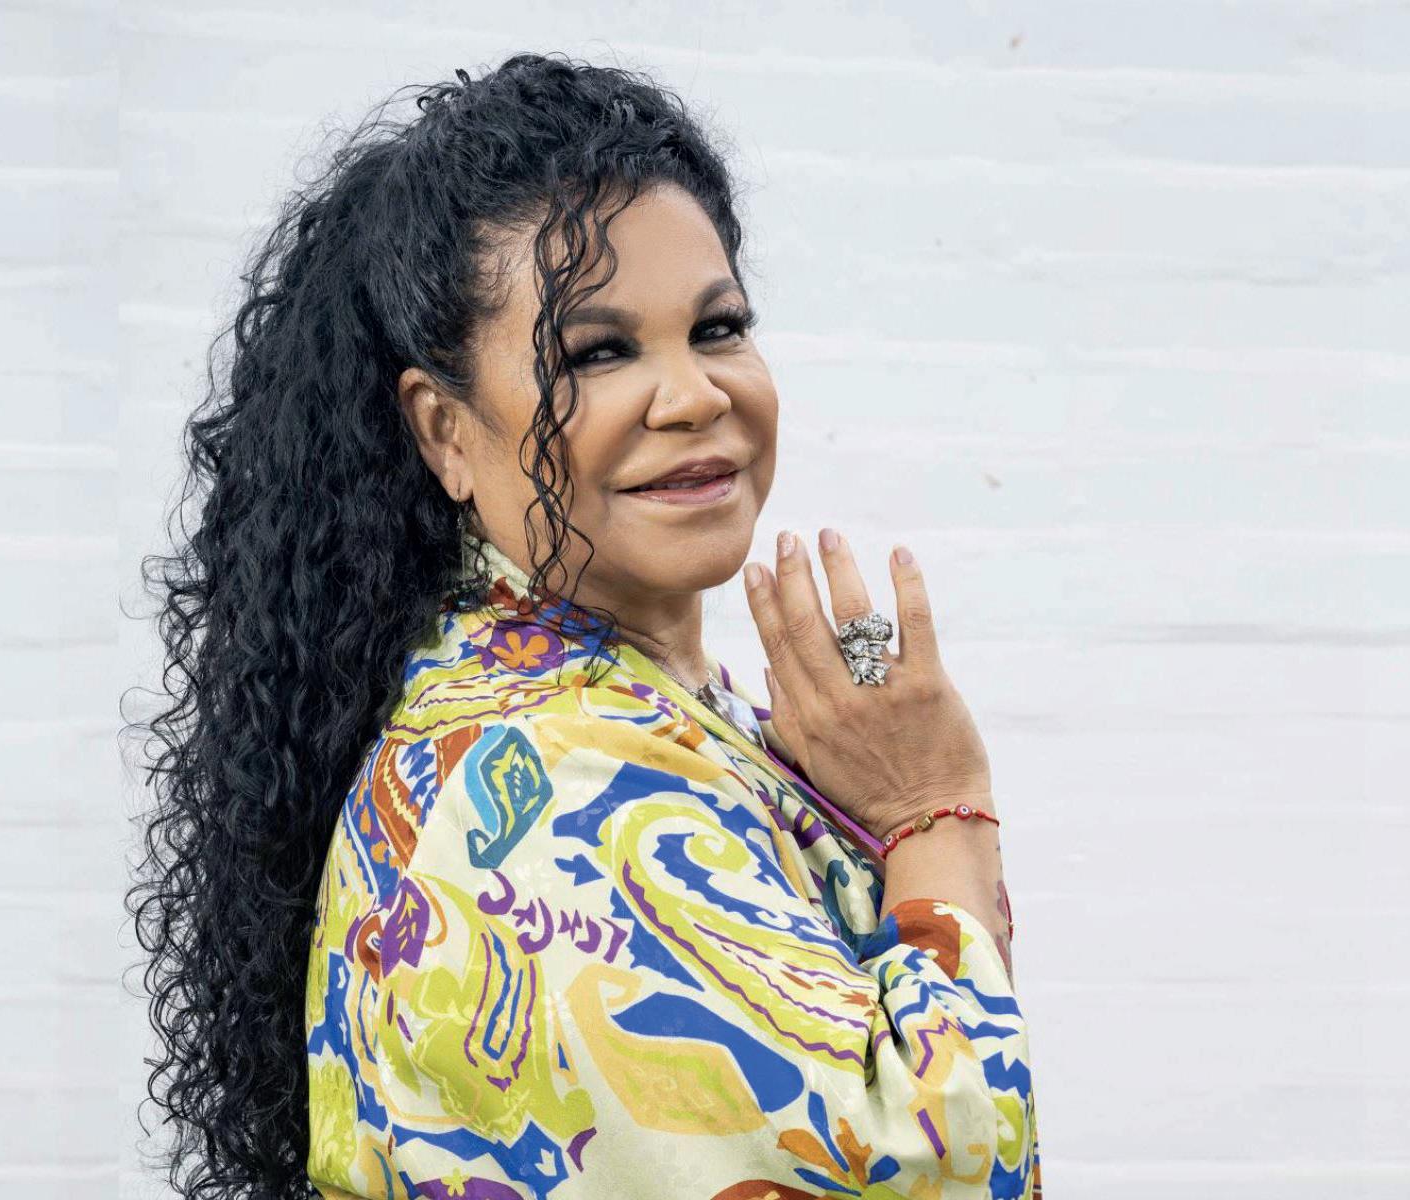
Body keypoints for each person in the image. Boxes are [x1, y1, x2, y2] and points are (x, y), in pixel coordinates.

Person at [130, 53, 1042, 1200]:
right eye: (596, 352)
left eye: (717, 327)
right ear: (444, 431)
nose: (693, 395)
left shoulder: (641, 720)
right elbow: (931, 1175)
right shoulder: (545, 792)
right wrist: (931, 808)